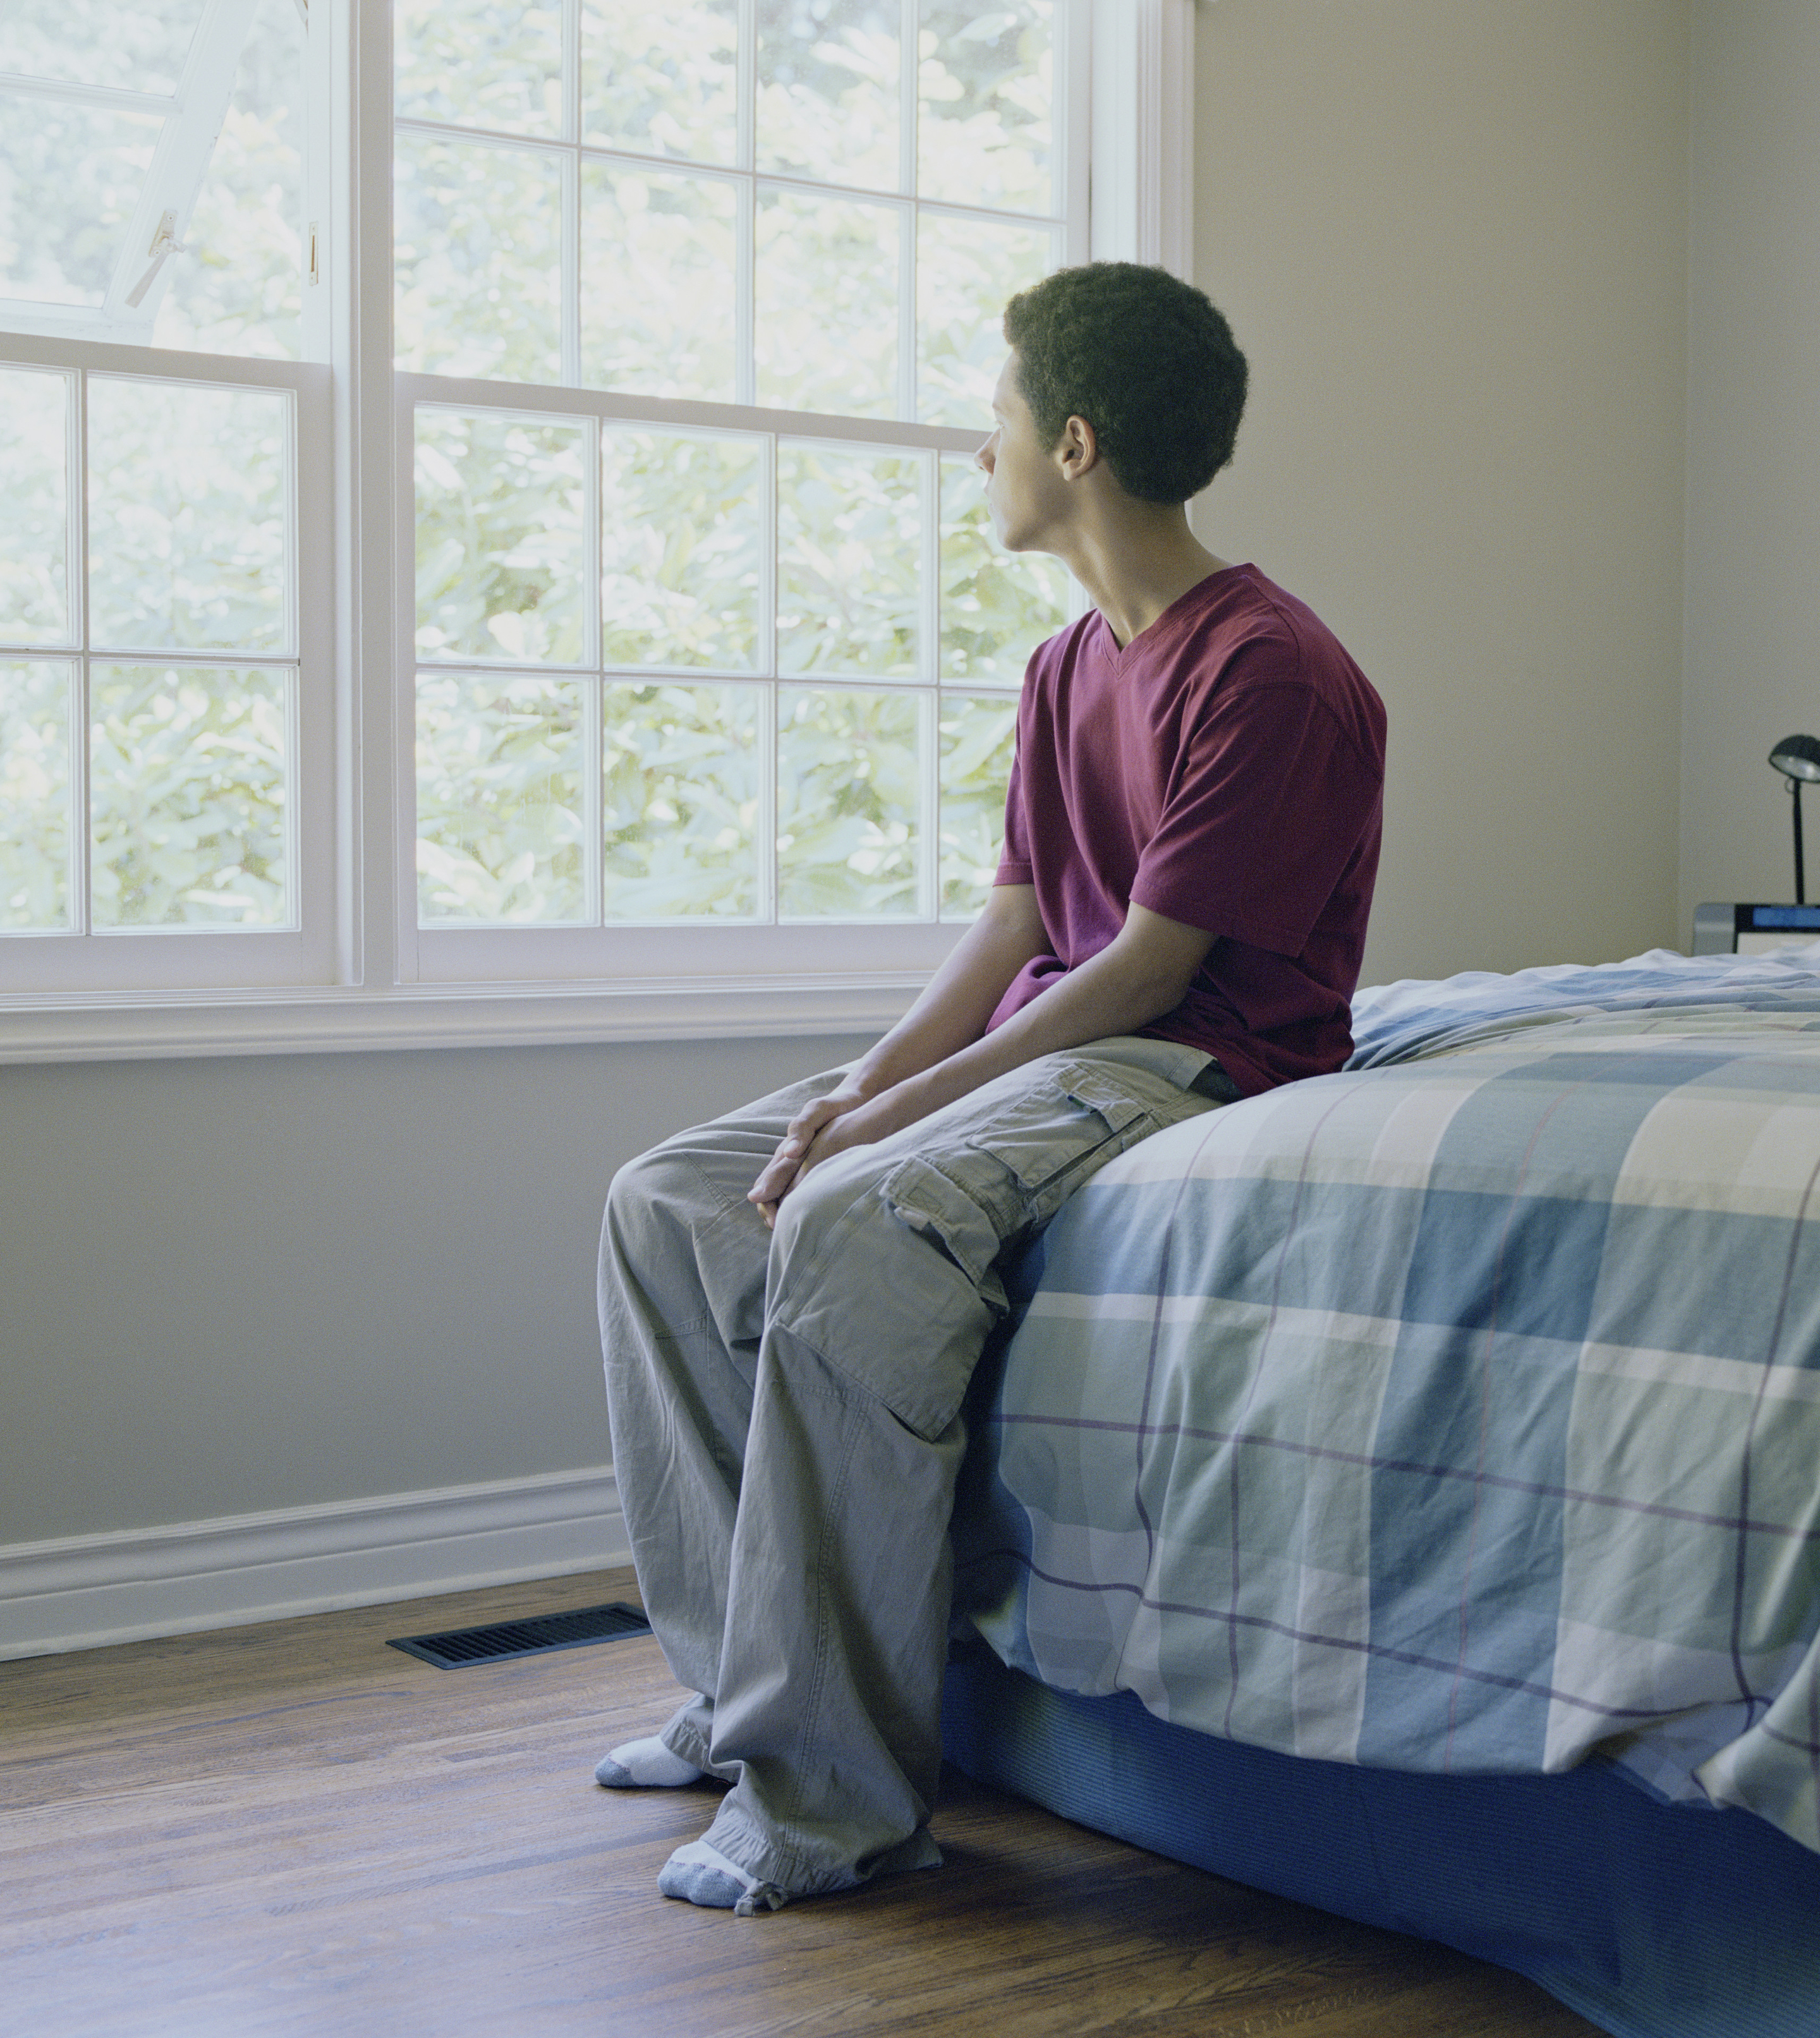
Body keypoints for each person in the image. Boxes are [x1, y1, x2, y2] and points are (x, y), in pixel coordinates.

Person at [595, 261, 1387, 1913]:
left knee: (862, 1214)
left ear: (1076, 443)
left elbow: (1152, 969)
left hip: (1191, 1056)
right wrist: (862, 1084)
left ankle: (833, 1795)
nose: (982, 453)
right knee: (668, 1198)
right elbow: (1019, 926)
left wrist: (882, 1131)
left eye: (998, 420)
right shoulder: (1063, 666)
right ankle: (742, 1688)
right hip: (1066, 1026)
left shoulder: (1275, 671)